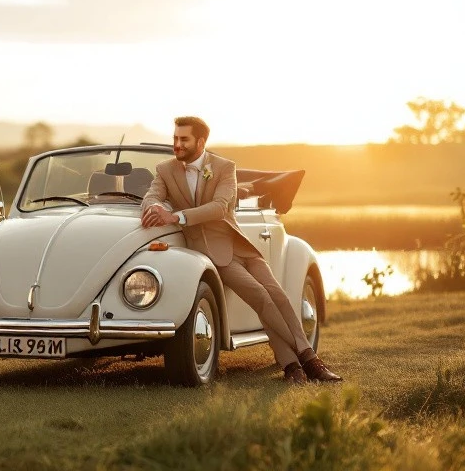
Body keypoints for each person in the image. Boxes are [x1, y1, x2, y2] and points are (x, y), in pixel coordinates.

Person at [140, 116, 342, 384]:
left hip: (240, 244)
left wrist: (177, 217)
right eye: (175, 138)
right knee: (261, 297)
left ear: (200, 142)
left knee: (278, 296)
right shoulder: (166, 170)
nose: (177, 144)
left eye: (183, 139)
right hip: (213, 252)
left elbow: (220, 207)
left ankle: (292, 367)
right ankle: (309, 361)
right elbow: (151, 196)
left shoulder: (224, 167)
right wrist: (155, 207)